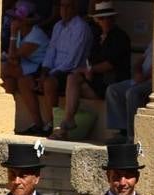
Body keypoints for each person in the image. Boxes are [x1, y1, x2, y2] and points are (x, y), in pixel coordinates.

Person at [55, 0, 130, 140]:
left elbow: (111, 64)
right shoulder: (97, 37)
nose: (105, 21)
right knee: (72, 78)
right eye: (101, 18)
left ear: (113, 19)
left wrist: (88, 70)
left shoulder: (120, 37)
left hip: (112, 82)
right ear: (97, 20)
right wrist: (86, 71)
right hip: (96, 82)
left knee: (77, 77)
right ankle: (68, 120)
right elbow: (90, 60)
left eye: (108, 18)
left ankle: (66, 125)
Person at [17, 0, 94, 137]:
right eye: (61, 6)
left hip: (72, 71)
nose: (63, 10)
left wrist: (48, 75)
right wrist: (44, 71)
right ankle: (38, 124)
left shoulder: (81, 28)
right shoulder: (58, 26)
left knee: (49, 83)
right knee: (24, 81)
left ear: (74, 8)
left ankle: (53, 125)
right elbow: (51, 51)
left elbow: (73, 60)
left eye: (67, 6)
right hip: (54, 70)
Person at [2, 3, 50, 127]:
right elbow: (13, 60)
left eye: (16, 19)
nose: (13, 22)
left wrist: (12, 33)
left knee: (3, 69)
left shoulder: (36, 35)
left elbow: (13, 56)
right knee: (9, 80)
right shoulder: (20, 33)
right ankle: (5, 120)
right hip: (26, 66)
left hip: (41, 68)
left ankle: (39, 124)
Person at [105, 41, 151, 143]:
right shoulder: (153, 43)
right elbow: (140, 61)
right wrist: (137, 72)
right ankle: (122, 131)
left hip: (152, 82)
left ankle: (132, 136)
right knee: (113, 90)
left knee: (132, 93)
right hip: (139, 79)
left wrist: (145, 77)